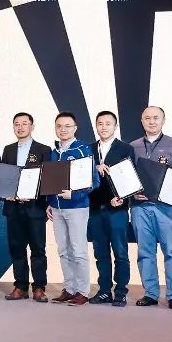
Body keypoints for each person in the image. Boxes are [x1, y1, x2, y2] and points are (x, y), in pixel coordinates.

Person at [130, 105, 172, 309]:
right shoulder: (133, 146)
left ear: (163, 120)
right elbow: (127, 176)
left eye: (156, 118)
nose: (152, 121)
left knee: (171, 252)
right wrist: (131, 193)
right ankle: (150, 293)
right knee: (145, 252)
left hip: (167, 208)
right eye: (147, 118)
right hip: (140, 208)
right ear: (142, 121)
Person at [46, 112, 99, 307]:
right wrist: (49, 203)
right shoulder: (54, 152)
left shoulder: (83, 150)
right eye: (59, 126)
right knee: (63, 250)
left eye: (67, 126)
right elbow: (50, 181)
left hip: (77, 207)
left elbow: (94, 181)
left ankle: (82, 291)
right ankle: (69, 289)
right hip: (57, 209)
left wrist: (74, 194)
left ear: (75, 128)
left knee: (78, 251)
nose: (63, 129)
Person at [1, 113, 52, 303]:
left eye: (24, 123)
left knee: (38, 249)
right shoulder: (8, 149)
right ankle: (20, 286)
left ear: (32, 126)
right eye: (17, 124)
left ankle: (39, 287)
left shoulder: (43, 150)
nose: (20, 127)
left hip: (35, 207)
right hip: (13, 207)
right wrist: (5, 191)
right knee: (17, 248)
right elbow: (4, 176)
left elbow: (47, 179)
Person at [88, 111, 136, 307]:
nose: (104, 127)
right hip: (94, 208)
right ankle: (104, 291)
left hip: (117, 208)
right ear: (96, 126)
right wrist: (94, 168)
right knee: (100, 252)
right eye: (100, 123)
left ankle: (121, 291)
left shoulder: (125, 148)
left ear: (115, 126)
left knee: (120, 252)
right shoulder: (89, 149)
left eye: (108, 123)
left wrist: (122, 199)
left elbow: (131, 178)